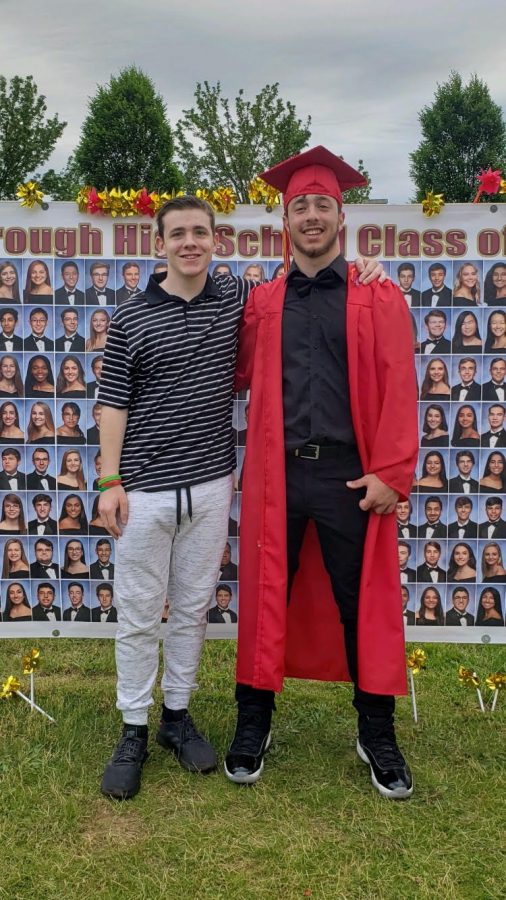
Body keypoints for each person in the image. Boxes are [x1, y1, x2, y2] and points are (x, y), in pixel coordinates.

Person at [96, 187, 385, 801]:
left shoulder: (239, 298)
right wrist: (109, 479)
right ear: (160, 243)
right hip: (151, 487)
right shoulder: (132, 317)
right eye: (178, 234)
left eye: (200, 232)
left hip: (215, 485)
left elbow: (376, 366)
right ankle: (135, 729)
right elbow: (112, 402)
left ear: (216, 240)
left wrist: (369, 267)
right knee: (142, 613)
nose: (190, 243)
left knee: (194, 610)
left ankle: (178, 717)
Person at [225, 146, 418, 799]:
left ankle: (376, 732)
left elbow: (400, 388)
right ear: (285, 220)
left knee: (359, 607)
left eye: (322, 205)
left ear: (341, 215)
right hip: (278, 479)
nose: (311, 216)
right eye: (299, 206)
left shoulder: (378, 295)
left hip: (351, 481)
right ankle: (254, 724)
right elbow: (234, 370)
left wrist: (392, 471)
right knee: (263, 597)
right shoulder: (264, 301)